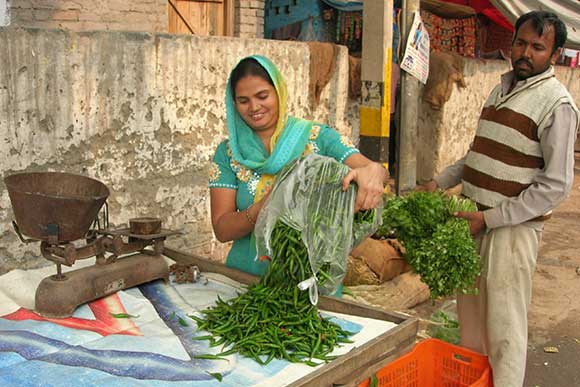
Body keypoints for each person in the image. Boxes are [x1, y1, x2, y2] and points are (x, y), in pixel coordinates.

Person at [419, 11, 579, 387]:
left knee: (505, 327)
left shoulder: (556, 104)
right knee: (471, 322)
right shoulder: (500, 87)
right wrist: (438, 182)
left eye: (538, 47)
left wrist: (491, 218)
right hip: (472, 222)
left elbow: (555, 185)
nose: (526, 53)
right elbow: (476, 154)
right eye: (521, 43)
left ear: (553, 56)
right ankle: (475, 381)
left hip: (511, 232)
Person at [209, 55, 387, 277]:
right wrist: (263, 208)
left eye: (262, 96)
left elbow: (373, 169)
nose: (254, 107)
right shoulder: (229, 154)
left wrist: (373, 171)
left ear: (279, 93)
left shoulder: (318, 137)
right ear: (233, 103)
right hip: (246, 279)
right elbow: (222, 229)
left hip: (312, 283)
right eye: (243, 100)